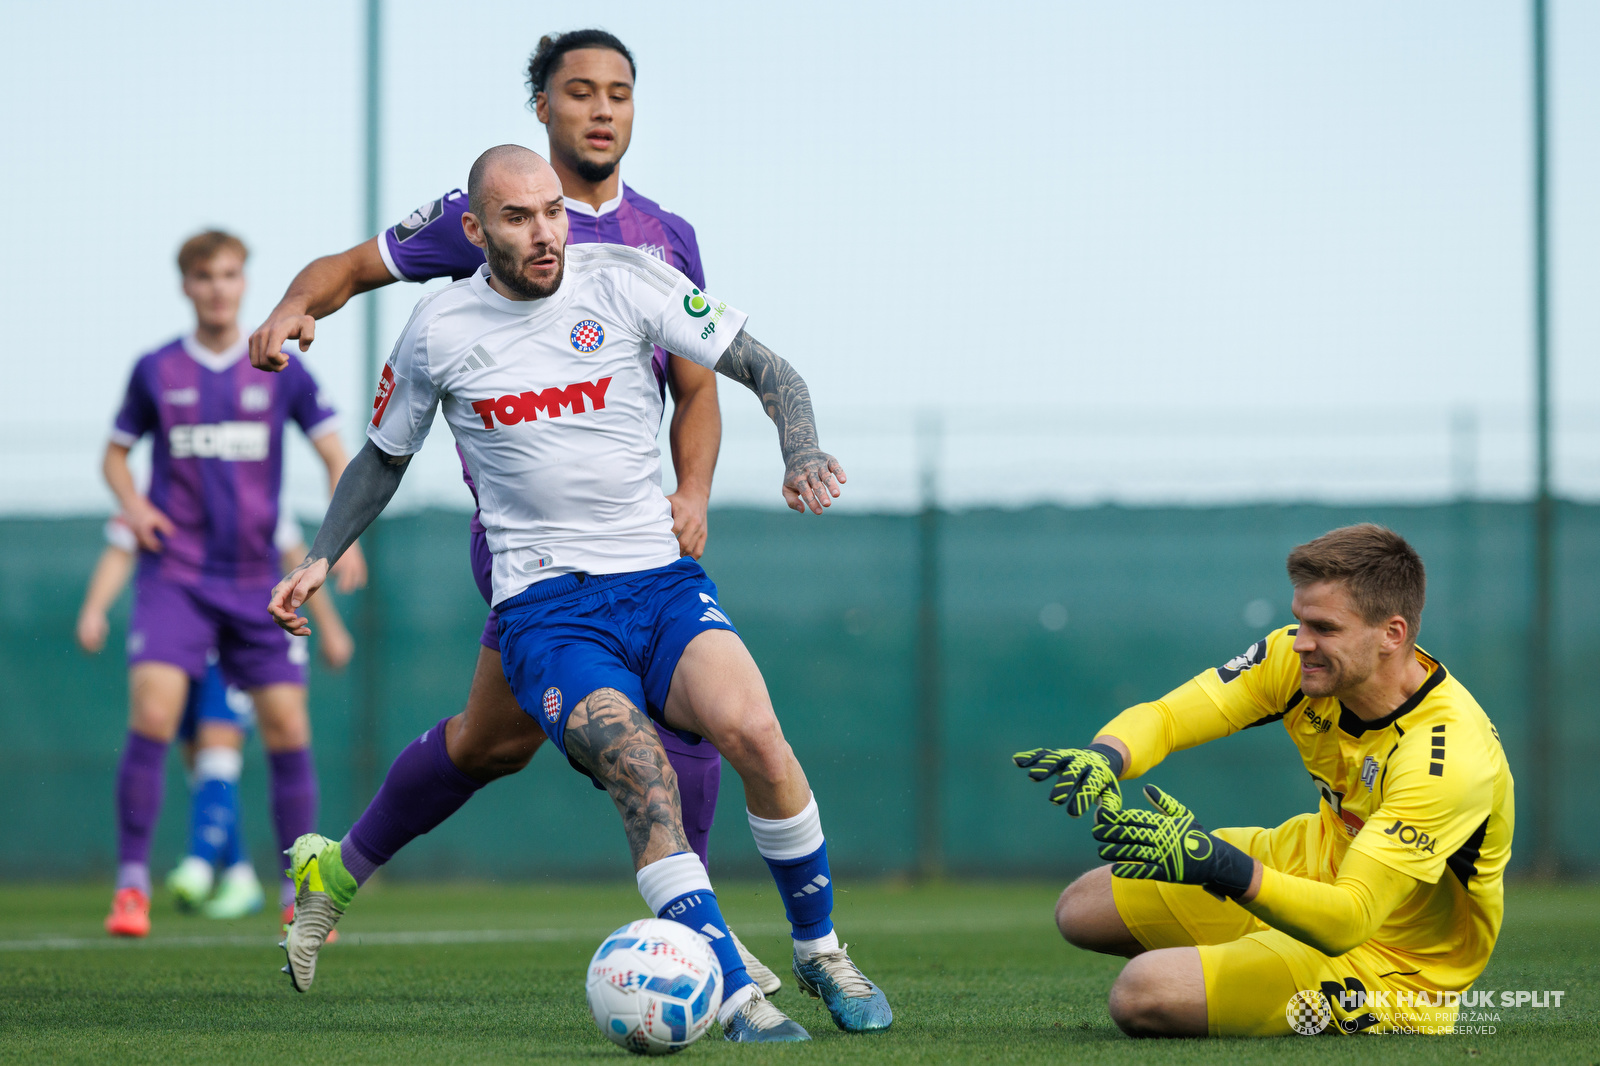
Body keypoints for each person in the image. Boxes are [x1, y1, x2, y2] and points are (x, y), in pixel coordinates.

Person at [270, 146, 892, 1042]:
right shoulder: (438, 327)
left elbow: (771, 372)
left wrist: (800, 449)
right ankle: (725, 981)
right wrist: (324, 555)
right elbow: (382, 456)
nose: (545, 233)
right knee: (636, 765)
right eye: (519, 219)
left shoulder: (632, 275)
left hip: (660, 583)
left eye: (554, 212)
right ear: (475, 231)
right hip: (544, 605)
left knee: (746, 731)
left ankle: (821, 950)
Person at [245, 29, 779, 990]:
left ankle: (337, 867)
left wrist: (691, 492)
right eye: (580, 92)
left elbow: (697, 393)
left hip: (638, 539)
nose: (602, 110)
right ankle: (701, 939)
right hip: (532, 548)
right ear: (543, 107)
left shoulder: (666, 236)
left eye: (619, 92)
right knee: (674, 725)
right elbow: (352, 267)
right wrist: (294, 305)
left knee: (486, 744)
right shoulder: (478, 215)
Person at [1016, 523, 1514, 1037]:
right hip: (1312, 860)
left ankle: (1344, 988)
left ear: (1392, 633)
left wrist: (1223, 868)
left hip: (1393, 957)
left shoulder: (1448, 756)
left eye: (1324, 627)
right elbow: (1167, 718)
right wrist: (1105, 757)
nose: (1301, 643)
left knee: (1147, 993)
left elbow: (1351, 916)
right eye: (1299, 621)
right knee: (1081, 910)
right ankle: (1259, 956)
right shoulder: (1299, 663)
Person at [100, 230, 366, 938]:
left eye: (230, 275)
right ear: (187, 285)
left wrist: (341, 539)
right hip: (176, 580)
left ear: (245, 283)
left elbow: (338, 452)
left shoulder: (282, 367)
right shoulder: (155, 370)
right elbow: (115, 457)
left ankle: (298, 897)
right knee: (154, 718)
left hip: (260, 587)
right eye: (205, 277)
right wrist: (134, 504)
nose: (219, 288)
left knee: (286, 728)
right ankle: (131, 889)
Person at [78, 510, 354, 919]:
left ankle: (203, 863)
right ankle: (239, 873)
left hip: (241, 630)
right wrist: (93, 608)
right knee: (194, 755)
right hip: (181, 628)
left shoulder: (252, 479)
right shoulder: (157, 486)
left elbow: (298, 556)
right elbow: (122, 545)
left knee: (223, 744)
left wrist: (330, 628)